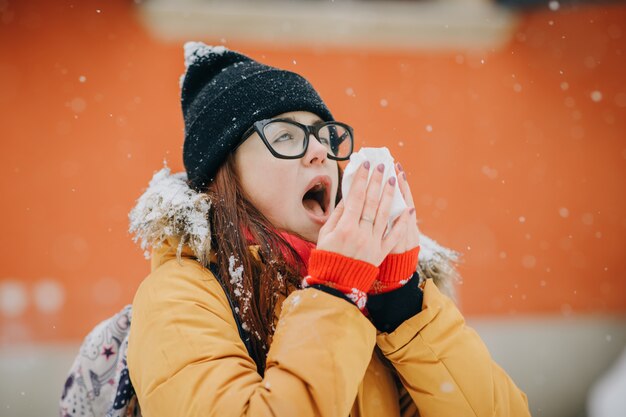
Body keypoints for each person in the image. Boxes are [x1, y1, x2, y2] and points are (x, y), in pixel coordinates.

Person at [126, 41, 531, 417]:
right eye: (285, 135)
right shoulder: (179, 296)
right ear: (224, 177)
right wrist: (334, 291)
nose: (320, 150)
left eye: (324, 135)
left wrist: (401, 306)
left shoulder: (377, 294)